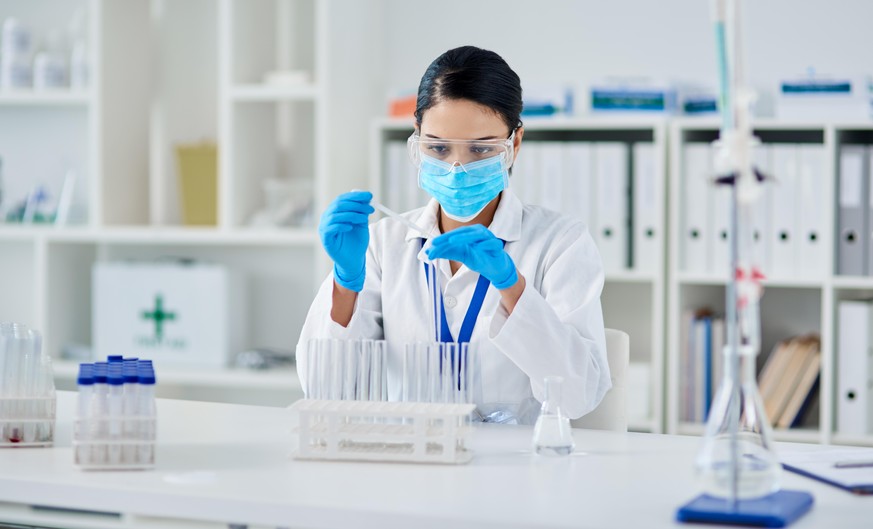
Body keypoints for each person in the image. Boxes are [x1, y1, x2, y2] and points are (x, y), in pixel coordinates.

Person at [298, 45, 610, 424]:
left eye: (480, 149)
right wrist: (347, 282)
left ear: (515, 143)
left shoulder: (560, 243)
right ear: (417, 139)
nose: (457, 167)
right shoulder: (383, 244)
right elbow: (325, 391)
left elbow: (578, 395)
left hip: (517, 471)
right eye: (439, 147)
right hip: (412, 464)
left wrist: (512, 287)